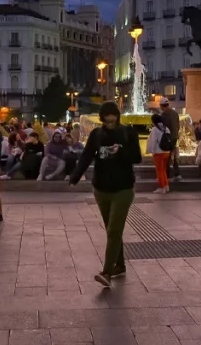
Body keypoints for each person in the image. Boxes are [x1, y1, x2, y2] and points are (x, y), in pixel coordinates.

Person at [69, 101, 142, 288]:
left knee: (113, 231)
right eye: (107, 122)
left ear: (118, 117)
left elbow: (137, 157)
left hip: (123, 188)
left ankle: (107, 272)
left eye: (113, 121)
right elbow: (86, 155)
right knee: (112, 229)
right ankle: (120, 265)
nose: (110, 124)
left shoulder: (128, 133)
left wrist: (121, 151)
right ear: (102, 120)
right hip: (101, 188)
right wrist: (76, 175)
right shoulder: (96, 134)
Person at [158, 97, 182, 182]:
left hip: (168, 138)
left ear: (161, 106)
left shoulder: (163, 115)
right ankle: (177, 174)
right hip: (175, 137)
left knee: (167, 157)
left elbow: (162, 128)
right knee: (174, 156)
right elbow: (178, 126)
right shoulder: (175, 113)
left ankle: (167, 175)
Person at [147, 114, 171, 193]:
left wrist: (153, 151)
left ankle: (162, 187)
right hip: (166, 152)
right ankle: (166, 186)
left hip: (158, 152)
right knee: (163, 170)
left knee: (159, 170)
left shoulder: (155, 129)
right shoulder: (165, 128)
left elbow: (154, 141)